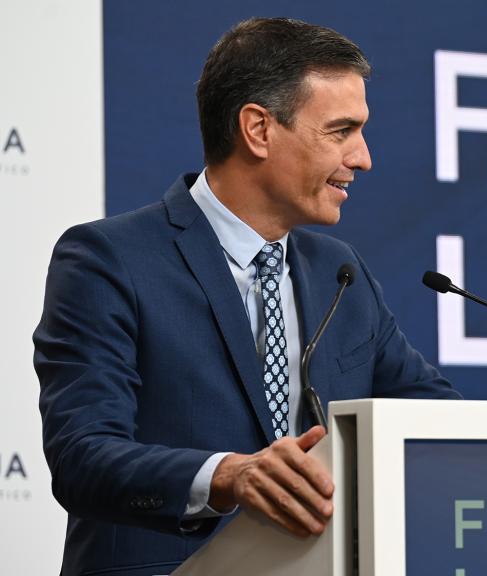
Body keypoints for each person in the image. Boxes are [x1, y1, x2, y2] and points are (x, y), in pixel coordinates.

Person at [33, 17, 460, 576]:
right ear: (258, 129)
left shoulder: (340, 273)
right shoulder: (108, 259)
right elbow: (81, 458)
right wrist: (228, 475)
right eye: (340, 131)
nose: (363, 158)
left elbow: (438, 424)